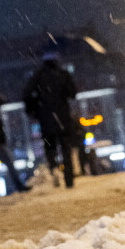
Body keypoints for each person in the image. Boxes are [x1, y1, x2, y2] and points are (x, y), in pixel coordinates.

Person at [23, 51, 78, 188]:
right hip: (63, 120)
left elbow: (26, 95)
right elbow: (73, 93)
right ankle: (69, 179)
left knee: (50, 149)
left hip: (46, 120)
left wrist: (34, 110)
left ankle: (54, 171)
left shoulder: (38, 77)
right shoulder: (63, 75)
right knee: (66, 149)